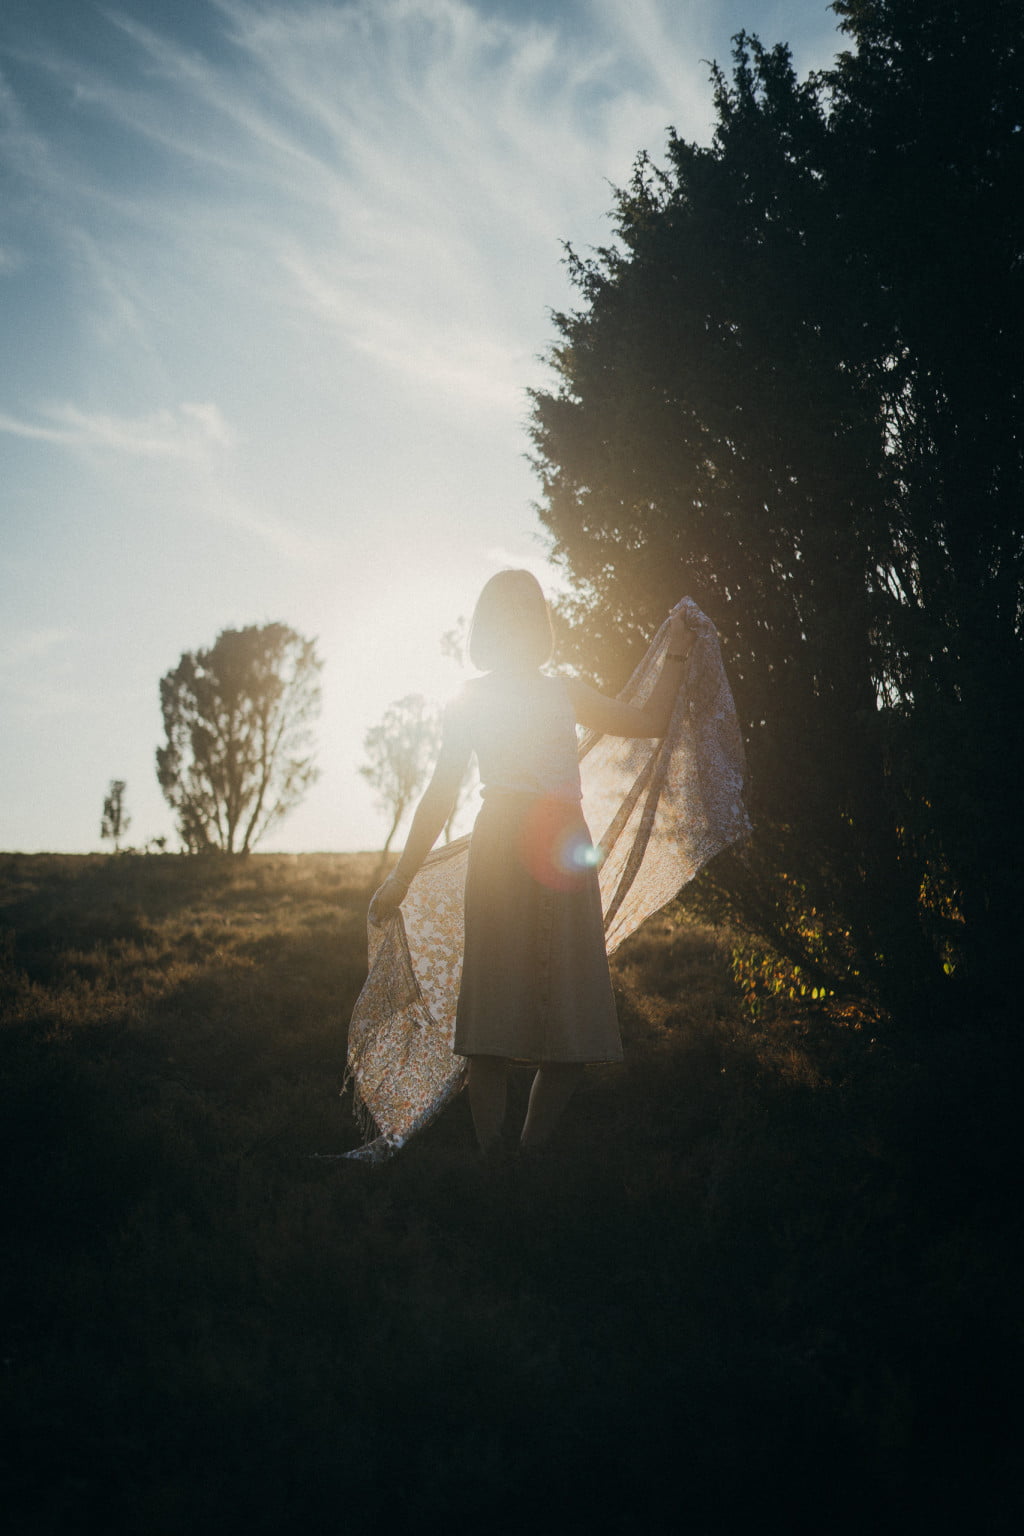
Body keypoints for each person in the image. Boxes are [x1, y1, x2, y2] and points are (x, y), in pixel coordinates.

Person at [367, 570, 695, 1155]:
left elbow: (646, 722)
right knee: (489, 1025)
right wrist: (400, 876)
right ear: (491, 626)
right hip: (501, 851)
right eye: (507, 614)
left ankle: (527, 1160)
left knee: (573, 1025)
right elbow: (440, 793)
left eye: (527, 613)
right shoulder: (469, 699)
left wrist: (675, 650)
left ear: (537, 624)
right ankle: (497, 1170)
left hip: (565, 852)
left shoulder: (563, 691)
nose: (518, 624)